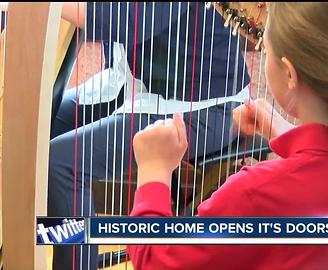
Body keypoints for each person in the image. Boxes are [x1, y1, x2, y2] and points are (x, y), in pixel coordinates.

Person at [127, 3, 328, 270]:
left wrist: (154, 171)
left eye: (266, 50)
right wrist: (284, 131)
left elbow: (155, 259)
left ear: (290, 74)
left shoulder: (254, 192)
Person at [48, 2, 249, 270]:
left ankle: (74, 260)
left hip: (205, 106)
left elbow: (121, 21)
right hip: (135, 83)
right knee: (39, 120)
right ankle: (45, 239)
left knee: (60, 163)